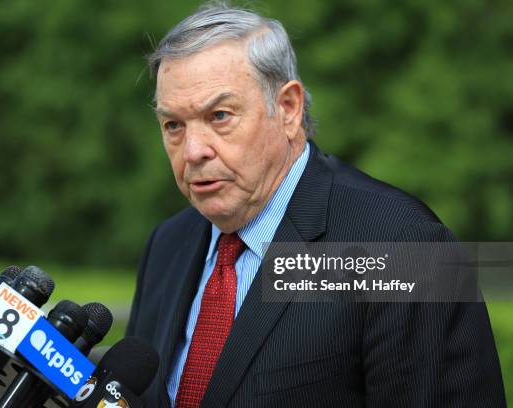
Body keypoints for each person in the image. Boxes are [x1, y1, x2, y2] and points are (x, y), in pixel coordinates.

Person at [126, 3, 506, 407]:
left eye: (219, 115)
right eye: (173, 126)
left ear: (288, 108)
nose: (194, 150)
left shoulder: (402, 246)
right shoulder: (168, 244)